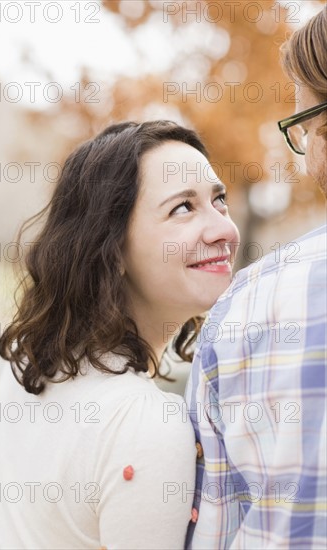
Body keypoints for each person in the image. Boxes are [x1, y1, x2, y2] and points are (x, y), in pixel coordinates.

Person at [0, 120, 240, 549]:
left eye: (219, 200)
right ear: (111, 249)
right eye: (182, 208)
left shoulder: (28, 362)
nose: (224, 230)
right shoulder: (147, 421)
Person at [186, 6, 327, 549]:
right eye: (182, 207)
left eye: (303, 126)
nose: (219, 230)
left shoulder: (244, 311)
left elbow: (216, 532)